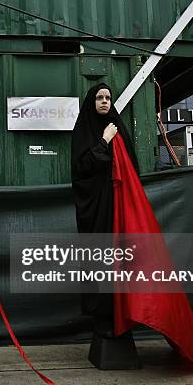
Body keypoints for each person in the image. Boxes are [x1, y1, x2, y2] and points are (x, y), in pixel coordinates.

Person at [70, 82, 140, 369]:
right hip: (97, 214)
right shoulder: (86, 131)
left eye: (108, 97)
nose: (104, 101)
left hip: (120, 214)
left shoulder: (118, 127)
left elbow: (133, 168)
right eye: (99, 97)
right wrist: (104, 141)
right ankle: (104, 322)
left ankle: (124, 318)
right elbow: (83, 167)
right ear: (91, 102)